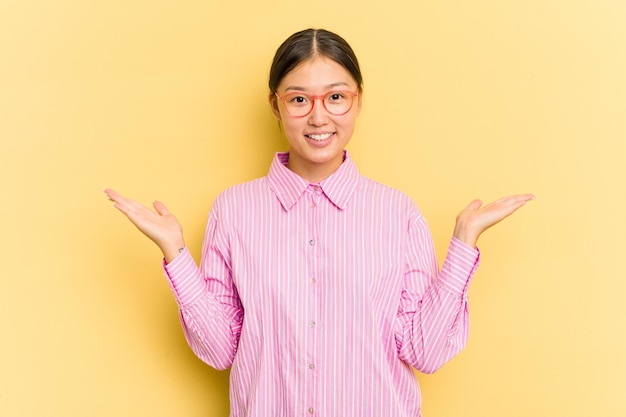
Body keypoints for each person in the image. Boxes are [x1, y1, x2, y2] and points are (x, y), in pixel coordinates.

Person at [105, 28, 534, 417]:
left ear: (358, 101)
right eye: (298, 99)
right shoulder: (233, 210)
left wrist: (463, 242)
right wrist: (176, 253)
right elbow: (221, 350)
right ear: (275, 105)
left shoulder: (398, 213)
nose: (318, 117)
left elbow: (425, 352)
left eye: (335, 97)